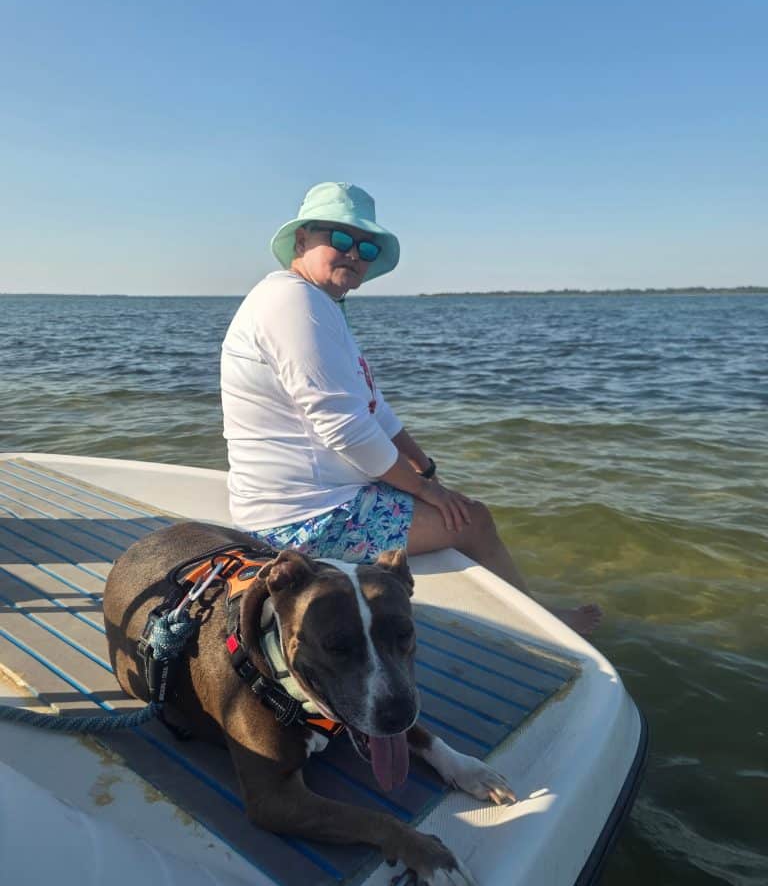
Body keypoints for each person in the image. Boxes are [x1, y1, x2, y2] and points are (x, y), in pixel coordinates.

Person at [220, 182, 601, 635]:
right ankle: (546, 628)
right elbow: (346, 430)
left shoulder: (317, 305)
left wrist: (425, 469)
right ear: (302, 241)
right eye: (340, 239)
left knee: (456, 505)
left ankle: (521, 610)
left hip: (323, 500)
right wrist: (428, 493)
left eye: (365, 246)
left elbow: (374, 409)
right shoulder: (293, 303)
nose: (354, 253)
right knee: (473, 521)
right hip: (302, 521)